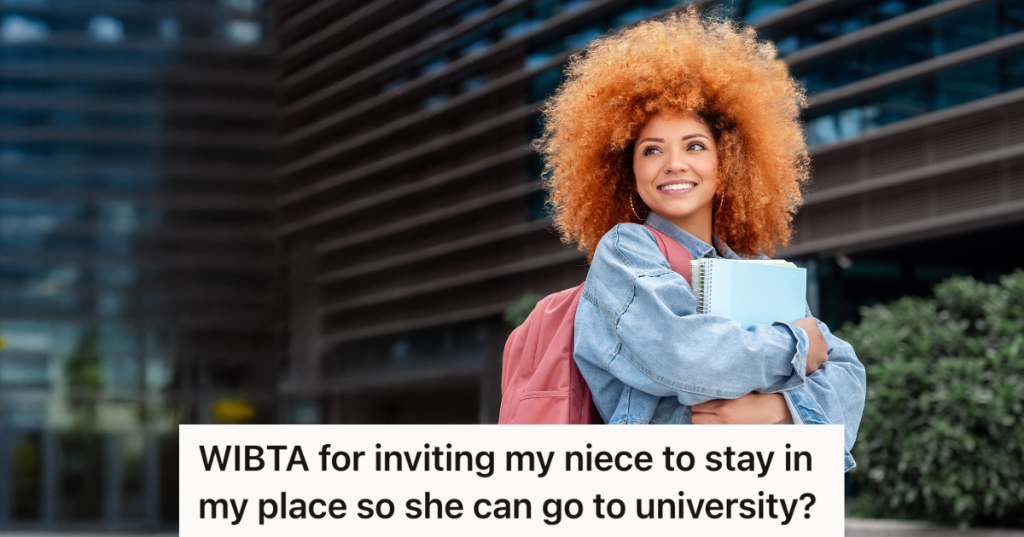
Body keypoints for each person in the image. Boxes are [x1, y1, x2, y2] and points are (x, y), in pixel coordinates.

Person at [533, 9, 866, 471]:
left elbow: (847, 374)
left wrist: (776, 411)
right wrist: (792, 350)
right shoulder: (625, 253)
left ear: (726, 162)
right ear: (627, 170)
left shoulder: (754, 270)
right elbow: (682, 356)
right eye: (652, 150)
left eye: (694, 146)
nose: (673, 164)